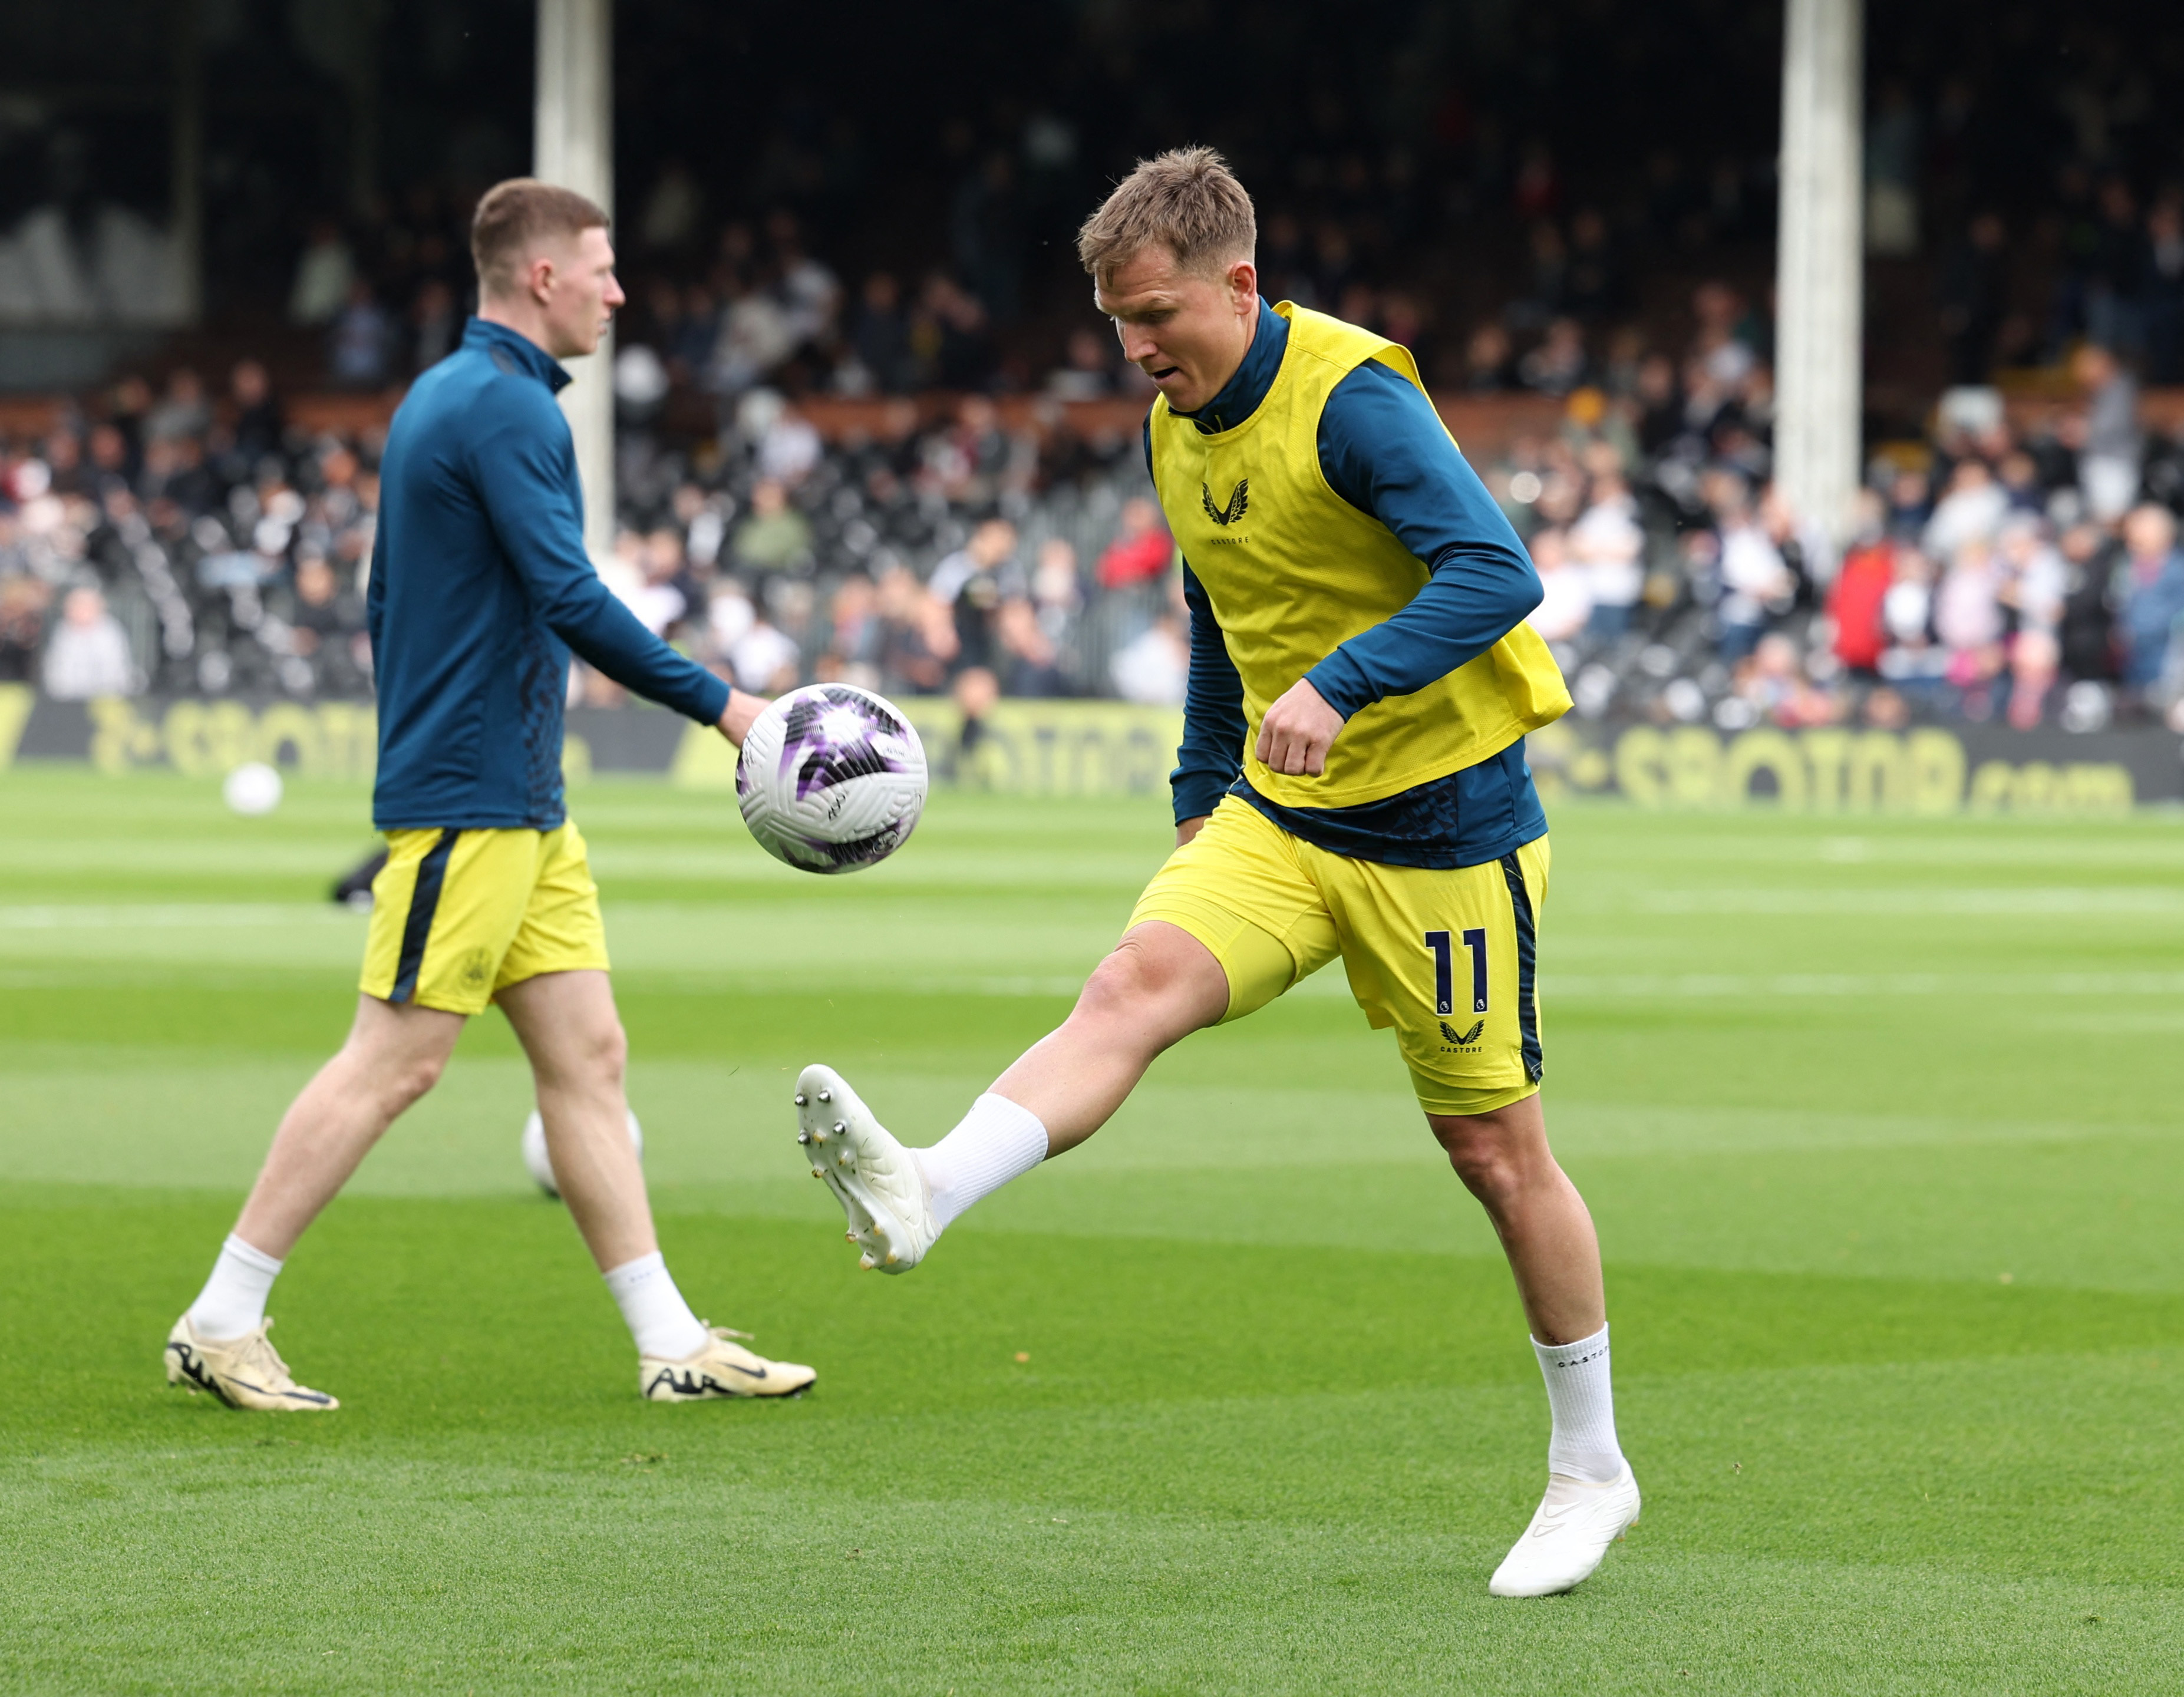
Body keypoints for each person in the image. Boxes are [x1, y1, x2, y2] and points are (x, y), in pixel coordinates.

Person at [788, 149, 1631, 1599]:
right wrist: (1198, 795)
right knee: (1129, 986)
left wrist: (1343, 684)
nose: (1134, 349)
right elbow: (1216, 611)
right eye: (1117, 323)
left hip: (1444, 832)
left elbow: (1497, 574)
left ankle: (1589, 1469)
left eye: (1154, 316)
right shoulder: (1167, 425)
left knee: (1494, 1156)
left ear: (1239, 285)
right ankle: (928, 1185)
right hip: (1279, 819)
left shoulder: (1353, 397)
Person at [165, 178, 816, 1414]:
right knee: (394, 1062)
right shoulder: (509, 408)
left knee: (589, 1057)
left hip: (519, 793)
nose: (619, 292)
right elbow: (569, 597)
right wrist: (726, 707)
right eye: (602, 269)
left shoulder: (447, 395)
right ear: (542, 276)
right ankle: (221, 1319)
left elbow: (389, 598)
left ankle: (670, 1342)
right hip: (472, 792)